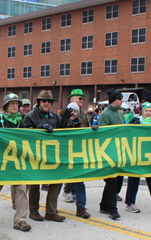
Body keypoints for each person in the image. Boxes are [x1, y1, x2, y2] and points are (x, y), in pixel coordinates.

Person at [0, 93, 31, 231]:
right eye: (12, 103)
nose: (15, 105)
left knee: (22, 188)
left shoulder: (21, 122)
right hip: (0, 162)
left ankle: (20, 221)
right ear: (5, 106)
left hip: (17, 162)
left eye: (17, 103)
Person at [21, 90, 65, 222]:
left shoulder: (55, 116)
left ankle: (51, 212)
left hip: (52, 155)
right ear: (39, 102)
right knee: (34, 184)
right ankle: (33, 211)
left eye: (49, 101)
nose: (46, 103)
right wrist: (39, 128)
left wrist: (66, 123)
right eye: (44, 101)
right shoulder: (30, 116)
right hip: (35, 155)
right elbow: (24, 133)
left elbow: (61, 134)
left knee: (56, 182)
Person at [60, 102, 96, 219]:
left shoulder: (82, 125)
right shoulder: (62, 123)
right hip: (63, 157)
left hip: (77, 157)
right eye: (71, 111)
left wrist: (93, 130)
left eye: (75, 111)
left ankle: (81, 207)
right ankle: (51, 208)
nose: (73, 113)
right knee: (57, 182)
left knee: (80, 182)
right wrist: (64, 122)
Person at [96, 89, 124, 219]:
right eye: (120, 99)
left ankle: (104, 205)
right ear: (114, 100)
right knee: (112, 180)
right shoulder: (105, 115)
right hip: (108, 153)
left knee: (118, 180)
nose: (122, 101)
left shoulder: (120, 114)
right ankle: (113, 208)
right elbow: (103, 135)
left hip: (119, 152)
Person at [60, 89, 88, 203]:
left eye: (83, 98)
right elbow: (60, 126)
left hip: (78, 146)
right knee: (69, 169)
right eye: (79, 98)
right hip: (67, 147)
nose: (82, 100)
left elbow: (86, 125)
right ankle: (67, 190)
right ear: (72, 98)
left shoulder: (82, 112)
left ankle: (75, 191)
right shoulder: (65, 112)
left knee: (78, 170)